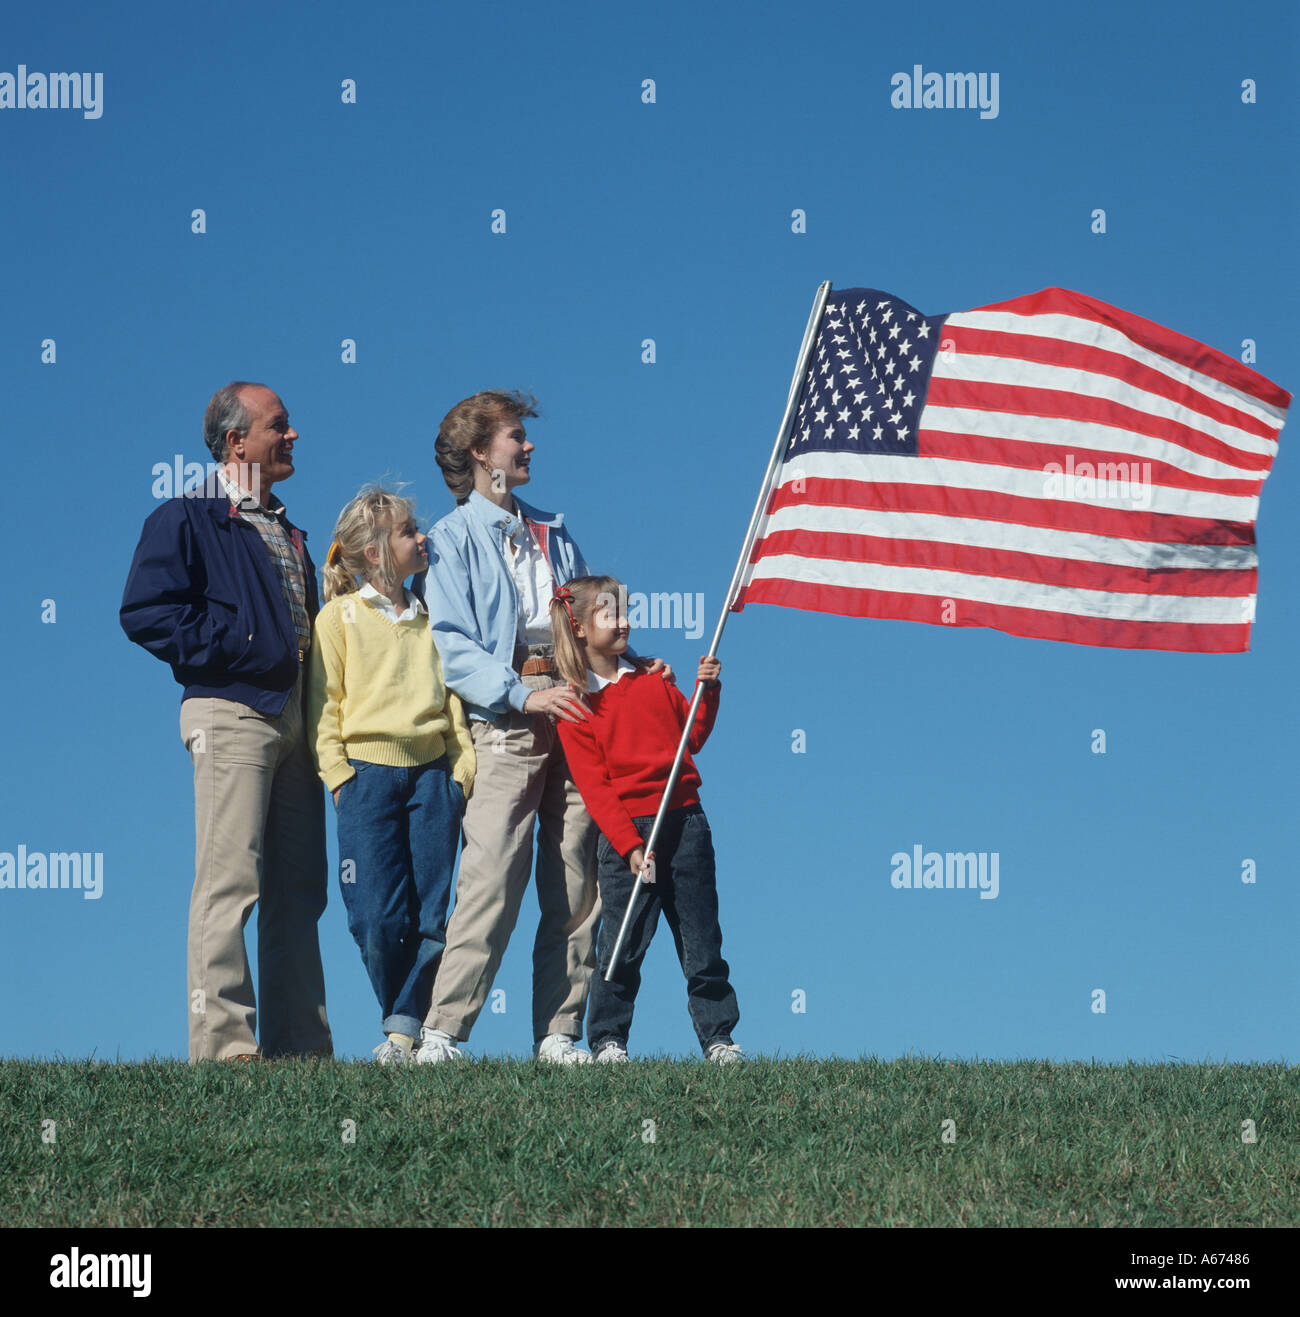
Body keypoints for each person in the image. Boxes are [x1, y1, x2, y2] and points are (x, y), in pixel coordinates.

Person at [415, 390, 668, 1065]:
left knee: (576, 874)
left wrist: (634, 665)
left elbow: (587, 620)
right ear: (478, 452)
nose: (529, 448)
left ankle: (559, 1033)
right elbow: (452, 644)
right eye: (515, 437)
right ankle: (443, 1031)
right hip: (509, 712)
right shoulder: (450, 538)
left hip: (579, 708)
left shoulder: (557, 533)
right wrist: (521, 696)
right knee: (492, 871)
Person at [120, 382, 332, 1062]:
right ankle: (224, 1047)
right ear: (236, 440)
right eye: (280, 424)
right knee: (230, 880)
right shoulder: (186, 517)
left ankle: (299, 1052)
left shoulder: (289, 530)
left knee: (299, 889)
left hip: (296, 716)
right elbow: (146, 610)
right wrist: (241, 646)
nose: (292, 435)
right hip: (232, 711)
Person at [307, 486, 475, 1065]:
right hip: (364, 780)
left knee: (432, 915)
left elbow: (453, 697)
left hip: (434, 778)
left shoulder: (436, 617)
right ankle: (407, 1019)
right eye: (408, 532)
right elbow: (324, 705)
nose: (421, 537)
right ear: (376, 552)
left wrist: (461, 768)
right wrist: (338, 775)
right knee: (375, 917)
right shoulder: (338, 619)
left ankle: (402, 1035)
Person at [550, 576, 742, 1063]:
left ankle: (718, 1037)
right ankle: (609, 1040)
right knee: (622, 941)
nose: (625, 622)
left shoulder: (654, 679)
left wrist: (708, 689)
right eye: (610, 613)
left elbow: (692, 737)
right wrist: (630, 847)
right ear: (578, 627)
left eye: (627, 611)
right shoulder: (575, 706)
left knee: (702, 938)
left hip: (686, 822)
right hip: (629, 837)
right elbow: (595, 787)